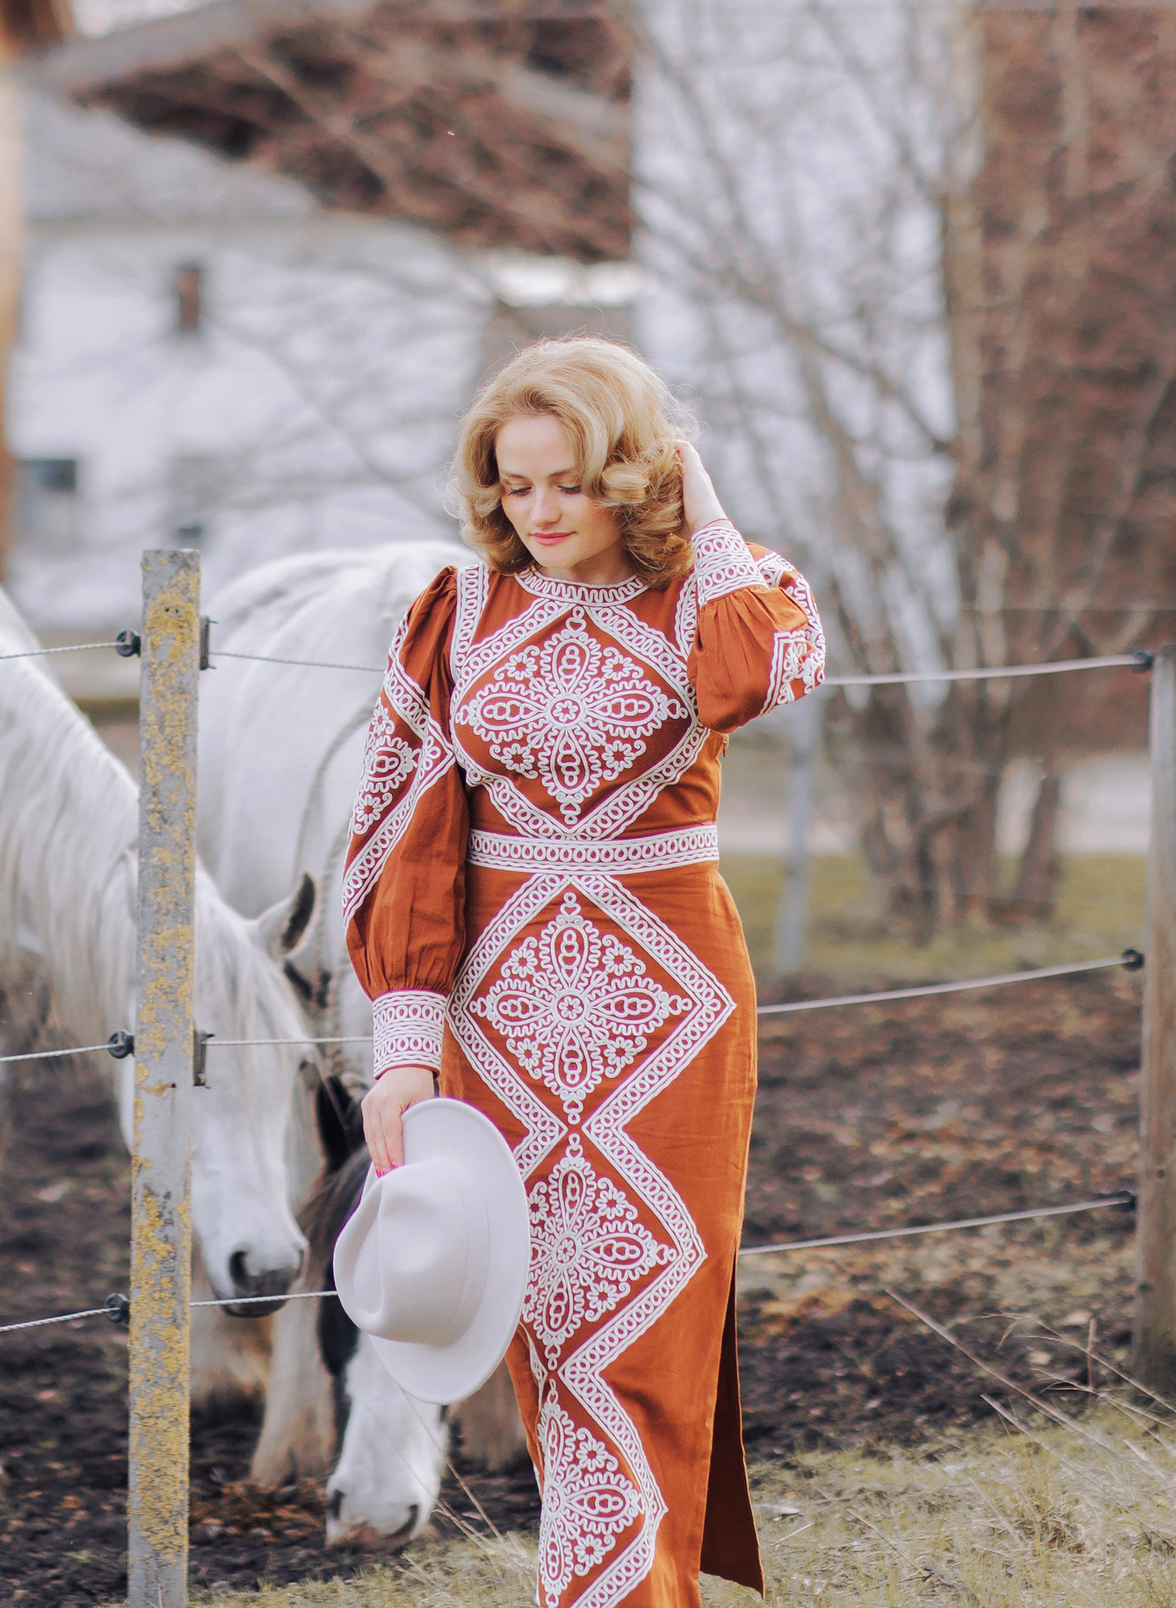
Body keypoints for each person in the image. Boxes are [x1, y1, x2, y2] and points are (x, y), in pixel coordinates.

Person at [344, 337, 825, 1608]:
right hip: (498, 1018)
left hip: (666, 1021)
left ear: (632, 472)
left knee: (646, 1338)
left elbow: (752, 674)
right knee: (546, 1339)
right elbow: (407, 836)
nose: (542, 513)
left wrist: (697, 495)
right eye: (515, 485)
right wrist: (402, 1043)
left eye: (573, 481)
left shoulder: (722, 595)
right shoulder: (457, 613)